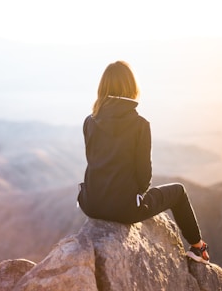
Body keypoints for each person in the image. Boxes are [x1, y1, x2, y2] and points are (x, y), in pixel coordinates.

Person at [77, 60, 209, 264]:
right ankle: (198, 247)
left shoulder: (89, 121)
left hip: (90, 203)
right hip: (125, 209)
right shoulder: (140, 125)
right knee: (179, 191)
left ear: (102, 87)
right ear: (132, 87)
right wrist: (135, 196)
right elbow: (144, 177)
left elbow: (93, 160)